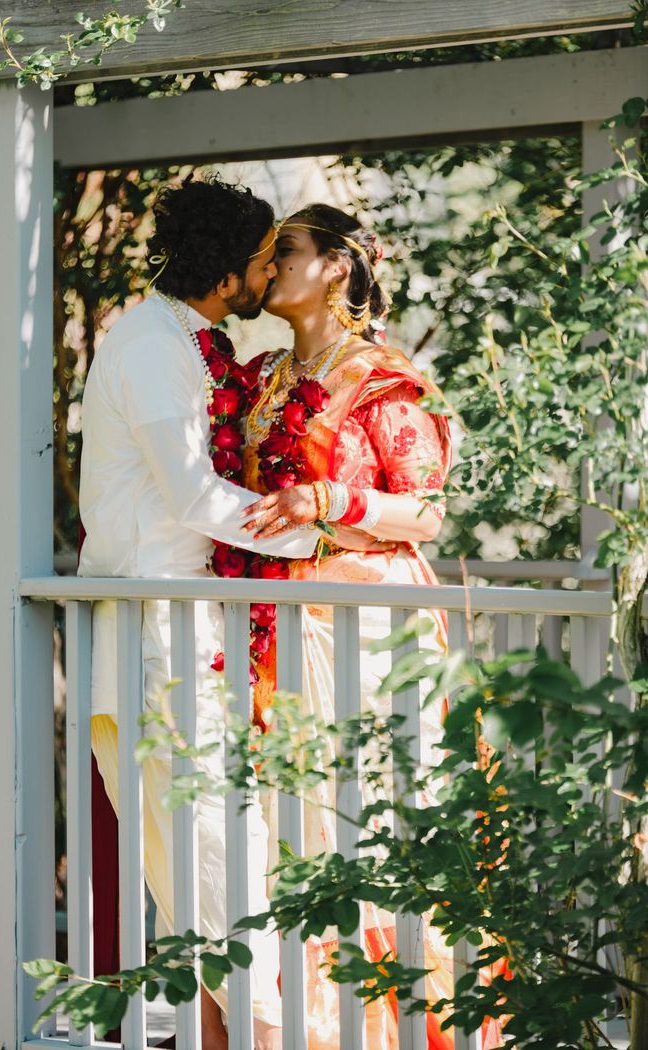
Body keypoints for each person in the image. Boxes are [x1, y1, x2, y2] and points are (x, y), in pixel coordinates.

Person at [225, 204, 500, 1049]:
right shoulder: (266, 374)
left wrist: (330, 500)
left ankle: (398, 1029)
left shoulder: (382, 377)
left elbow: (425, 513)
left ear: (338, 268)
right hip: (272, 620)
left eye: (287, 254)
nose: (268, 270)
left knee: (367, 815)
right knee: (283, 823)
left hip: (364, 621)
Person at [78, 177, 322, 1050]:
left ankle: (238, 1030)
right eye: (263, 260)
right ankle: (260, 1030)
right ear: (228, 271)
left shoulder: (191, 337)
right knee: (202, 845)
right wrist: (317, 539)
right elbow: (190, 494)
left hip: (193, 627)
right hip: (154, 632)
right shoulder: (150, 345)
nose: (266, 276)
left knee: (217, 843)